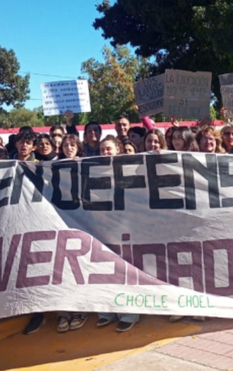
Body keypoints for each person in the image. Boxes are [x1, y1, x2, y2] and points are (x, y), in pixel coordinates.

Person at [96, 137, 139, 333]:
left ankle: (129, 313)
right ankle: (108, 310)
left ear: (118, 150)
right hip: (101, 227)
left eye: (109, 149)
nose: (105, 153)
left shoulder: (130, 170)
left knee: (126, 271)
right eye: (102, 150)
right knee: (105, 270)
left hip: (125, 227)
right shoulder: (92, 172)